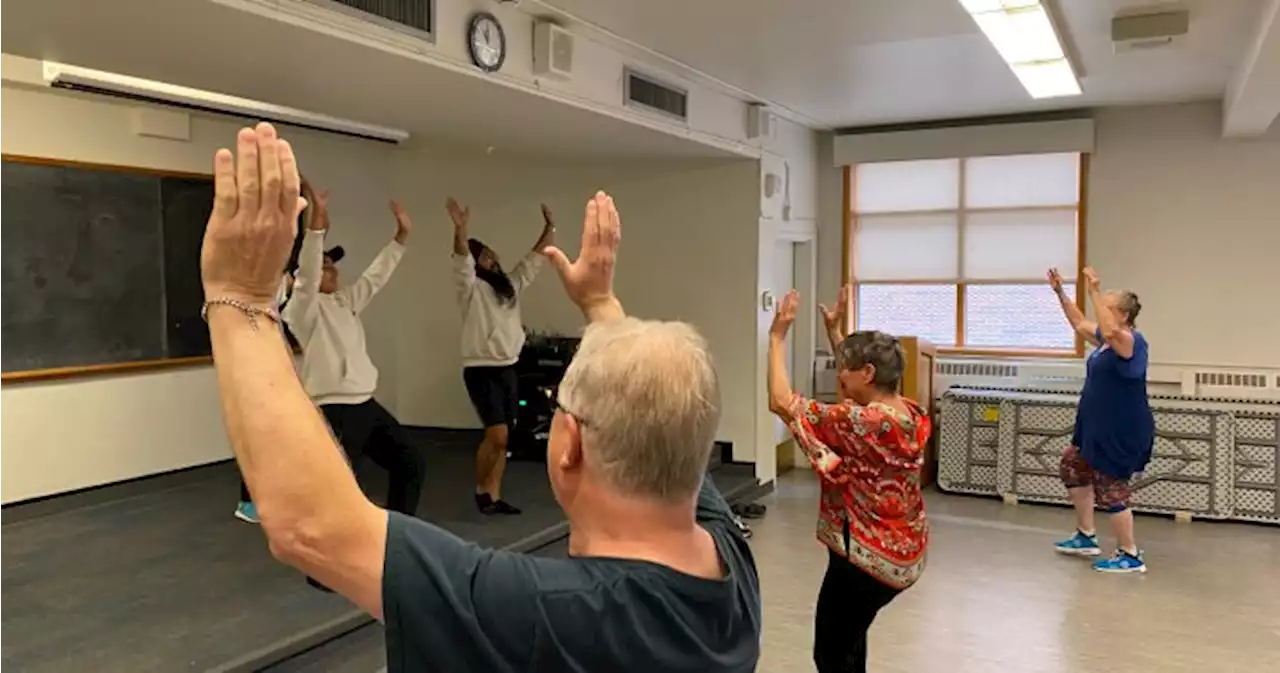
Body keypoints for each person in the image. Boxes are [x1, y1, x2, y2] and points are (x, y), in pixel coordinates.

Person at [199, 123, 761, 672]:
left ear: (570, 446)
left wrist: (236, 295)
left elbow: (309, 526)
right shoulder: (733, 570)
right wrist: (601, 304)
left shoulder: (538, 614)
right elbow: (656, 409)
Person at [766, 285, 931, 673]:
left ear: (868, 373)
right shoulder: (911, 412)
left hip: (865, 560)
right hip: (902, 550)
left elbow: (782, 402)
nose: (839, 376)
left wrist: (776, 336)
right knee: (853, 640)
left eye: (845, 368)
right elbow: (861, 395)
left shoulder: (863, 422)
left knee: (832, 654)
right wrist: (836, 332)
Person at [283, 183, 426, 523]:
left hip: (366, 405)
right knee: (338, 488)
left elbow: (376, 277)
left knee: (410, 461)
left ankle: (398, 535)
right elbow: (307, 273)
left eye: (334, 266)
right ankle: (325, 567)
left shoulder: (346, 302)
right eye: (325, 267)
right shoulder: (303, 308)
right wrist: (317, 224)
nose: (331, 271)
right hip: (335, 409)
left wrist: (401, 236)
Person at [446, 197, 555, 515]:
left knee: (505, 441)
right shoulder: (470, 288)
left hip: (508, 368)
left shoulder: (509, 286)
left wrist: (550, 226)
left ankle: (493, 495)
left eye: (492, 253)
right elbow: (460, 259)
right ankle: (481, 490)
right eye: (485, 255)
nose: (492, 257)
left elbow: (534, 259)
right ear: (478, 263)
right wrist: (461, 229)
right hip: (480, 370)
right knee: (497, 434)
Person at [1048, 266, 1154, 573]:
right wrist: (1060, 292)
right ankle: (1086, 535)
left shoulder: (1133, 341)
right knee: (1073, 467)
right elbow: (1080, 322)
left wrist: (1095, 289)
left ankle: (1130, 554)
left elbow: (1109, 330)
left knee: (1111, 487)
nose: (1100, 308)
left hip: (1120, 429)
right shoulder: (1107, 343)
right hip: (1095, 427)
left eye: (1107, 306)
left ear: (1121, 315)